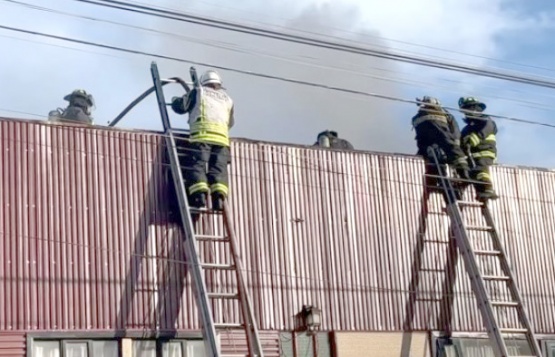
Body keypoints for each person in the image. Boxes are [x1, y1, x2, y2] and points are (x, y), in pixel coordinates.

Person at [171, 68, 234, 211]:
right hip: (222, 141)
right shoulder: (228, 99)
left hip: (202, 137)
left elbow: (181, 106)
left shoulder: (198, 92)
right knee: (219, 170)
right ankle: (218, 199)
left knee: (197, 165)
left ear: (204, 82)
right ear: (219, 84)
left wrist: (174, 100)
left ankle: (199, 196)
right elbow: (230, 122)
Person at [412, 96, 469, 196]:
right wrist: (456, 146)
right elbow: (455, 134)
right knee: (454, 155)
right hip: (444, 144)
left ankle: (433, 182)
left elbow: (420, 138)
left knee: (433, 160)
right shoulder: (445, 114)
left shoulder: (416, 117)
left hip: (427, 148)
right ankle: (464, 174)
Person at [458, 96, 499, 201]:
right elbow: (461, 143)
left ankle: (488, 189)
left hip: (486, 154)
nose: (469, 111)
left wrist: (471, 140)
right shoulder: (466, 129)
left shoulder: (486, 121)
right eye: (466, 109)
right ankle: (480, 192)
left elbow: (483, 132)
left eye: (471, 108)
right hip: (472, 157)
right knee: (471, 173)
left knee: (481, 170)